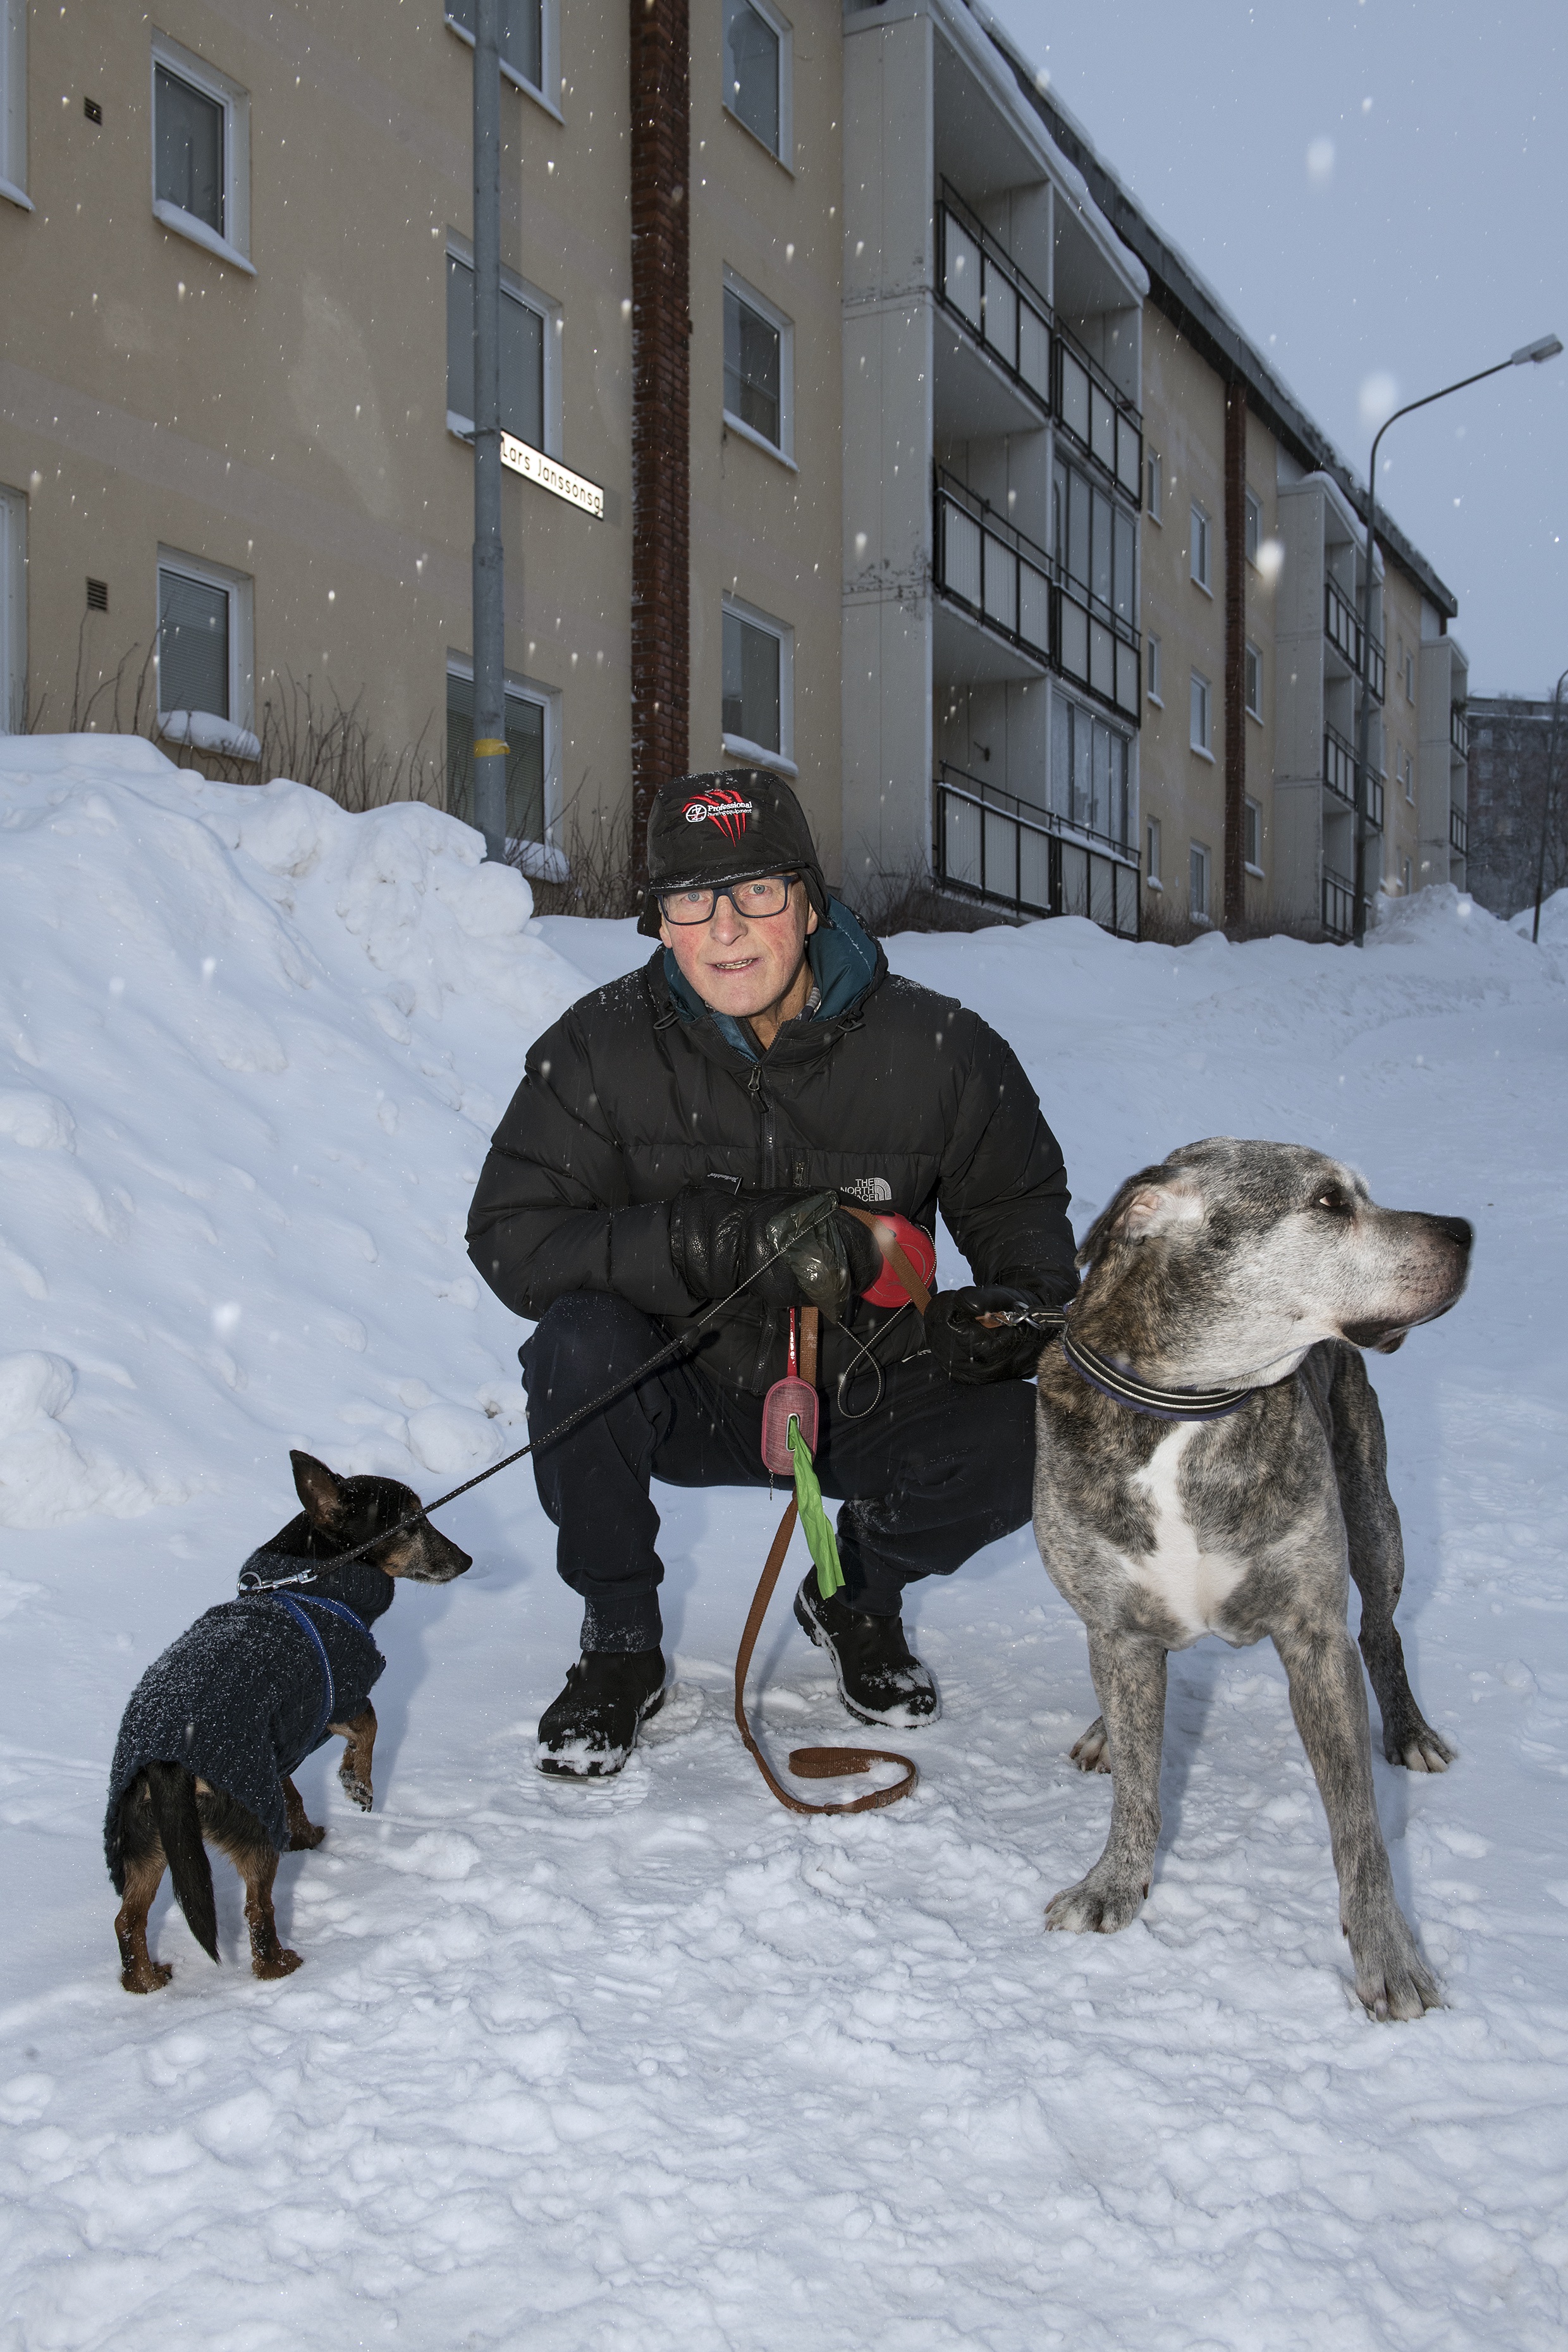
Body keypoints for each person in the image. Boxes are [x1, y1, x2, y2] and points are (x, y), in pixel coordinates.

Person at [467, 769, 1078, 1775]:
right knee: (574, 1348)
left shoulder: (945, 1052)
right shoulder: (596, 1049)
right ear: (658, 921)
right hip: (687, 1383)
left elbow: (1025, 1228)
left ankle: (855, 1595)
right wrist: (708, 1244)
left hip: (866, 1386)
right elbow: (512, 1236)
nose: (726, 928)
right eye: (690, 899)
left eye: (756, 891)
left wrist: (1008, 1317)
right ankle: (620, 1641)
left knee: (1042, 1430)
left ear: (807, 898)